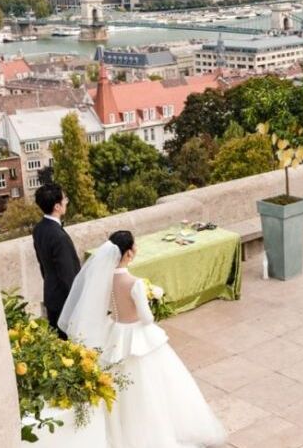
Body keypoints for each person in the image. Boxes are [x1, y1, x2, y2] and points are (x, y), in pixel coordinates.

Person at [59, 231, 226, 448]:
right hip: (137, 335)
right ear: (128, 253)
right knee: (154, 387)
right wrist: (151, 299)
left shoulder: (103, 279)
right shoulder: (134, 282)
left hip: (116, 334)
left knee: (122, 389)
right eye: (134, 246)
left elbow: (107, 309)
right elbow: (147, 318)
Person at [32, 183, 81, 338]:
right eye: (64, 199)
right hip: (64, 302)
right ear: (57, 206)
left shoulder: (38, 229)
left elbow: (43, 265)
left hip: (51, 295)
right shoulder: (59, 237)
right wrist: (78, 301)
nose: (66, 201)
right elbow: (67, 274)